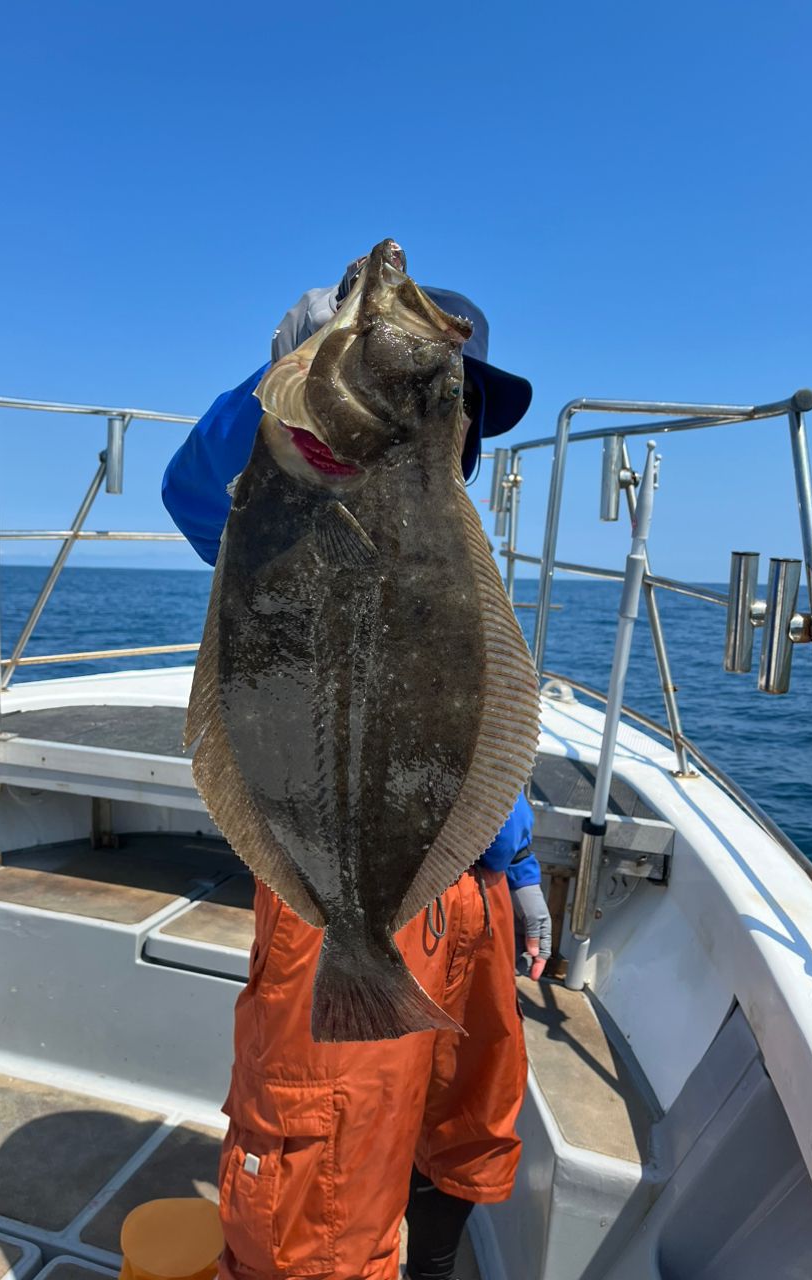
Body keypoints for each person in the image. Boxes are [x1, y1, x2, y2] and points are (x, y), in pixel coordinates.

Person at [162, 254, 551, 1280]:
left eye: (445, 399)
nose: (446, 418)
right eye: (415, 380)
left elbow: (473, 730)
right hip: (339, 896)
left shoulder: (452, 545)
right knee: (320, 1199)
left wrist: (516, 867)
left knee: (465, 1138)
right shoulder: (285, 500)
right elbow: (194, 488)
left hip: (465, 896)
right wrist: (275, 375)